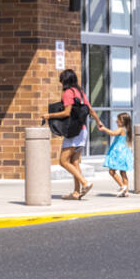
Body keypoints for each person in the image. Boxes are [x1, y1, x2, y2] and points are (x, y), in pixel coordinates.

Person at [47, 69, 94, 200]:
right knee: (74, 161)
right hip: (82, 129)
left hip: (73, 132)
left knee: (63, 161)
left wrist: (49, 115)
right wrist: (99, 122)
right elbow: (90, 109)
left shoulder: (68, 93)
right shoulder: (80, 92)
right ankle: (76, 192)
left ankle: (85, 182)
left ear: (65, 80)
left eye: (61, 80)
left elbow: (66, 113)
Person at [94, 110, 133, 196]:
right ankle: (125, 191)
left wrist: (103, 128)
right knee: (123, 173)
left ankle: (123, 187)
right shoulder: (127, 130)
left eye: (117, 119)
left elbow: (112, 133)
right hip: (124, 153)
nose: (116, 120)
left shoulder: (121, 129)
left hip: (118, 153)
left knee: (112, 171)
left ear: (122, 121)